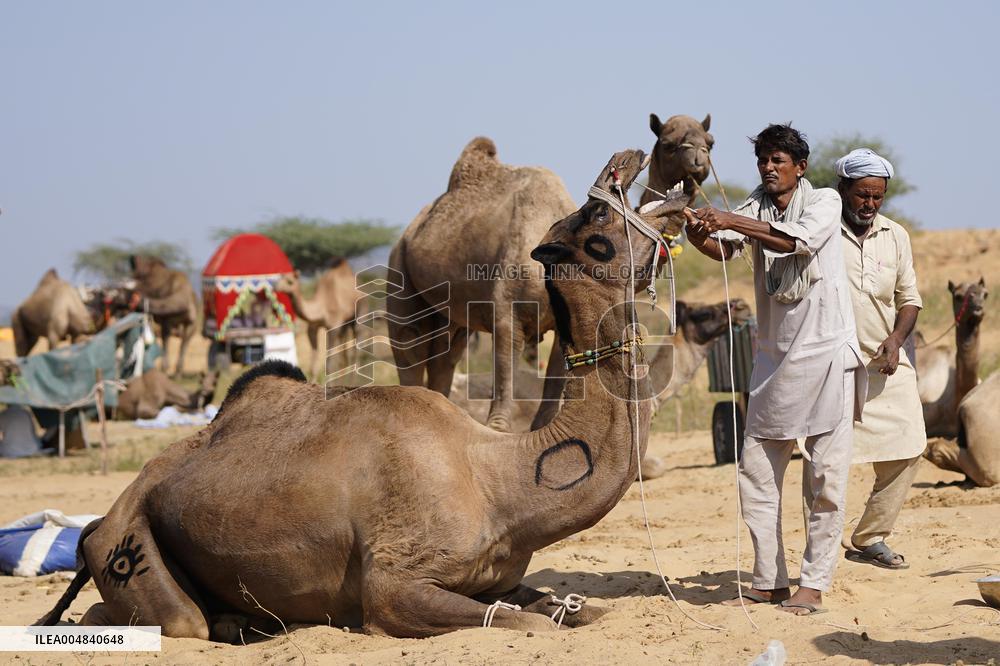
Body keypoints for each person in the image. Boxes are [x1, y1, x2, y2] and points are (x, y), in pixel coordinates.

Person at [684, 124, 866, 616]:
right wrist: (697, 230)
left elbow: (792, 242)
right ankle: (770, 579)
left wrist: (726, 219)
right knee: (756, 474)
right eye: (763, 160)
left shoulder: (825, 202)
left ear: (799, 168)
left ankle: (814, 582)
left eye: (777, 161)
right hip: (775, 362)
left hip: (827, 357)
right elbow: (724, 248)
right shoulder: (752, 209)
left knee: (825, 479)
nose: (768, 168)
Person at [835, 148, 924, 569]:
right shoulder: (822, 231)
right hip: (834, 370)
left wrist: (896, 338)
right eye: (861, 196)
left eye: (877, 197)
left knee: (910, 445)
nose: (869, 205)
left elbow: (909, 298)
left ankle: (870, 537)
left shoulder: (896, 235)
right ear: (843, 190)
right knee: (826, 463)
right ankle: (820, 551)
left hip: (885, 364)